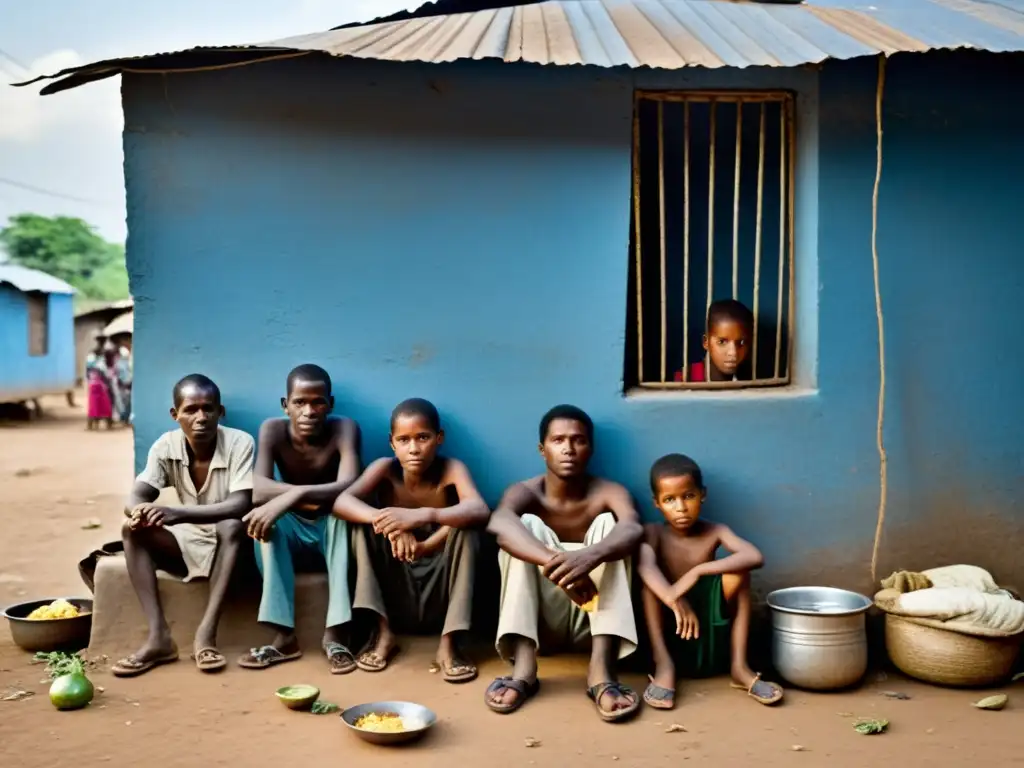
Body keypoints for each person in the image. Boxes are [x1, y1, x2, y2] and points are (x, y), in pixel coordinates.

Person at [485, 405, 643, 722]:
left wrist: (591, 555)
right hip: (542, 625)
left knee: (610, 529)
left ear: (590, 448)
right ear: (543, 450)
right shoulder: (525, 491)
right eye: (558, 440)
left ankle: (600, 671)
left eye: (578, 440)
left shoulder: (608, 492)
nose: (568, 449)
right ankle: (525, 669)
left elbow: (632, 527)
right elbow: (499, 523)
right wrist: (560, 569)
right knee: (524, 526)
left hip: (595, 621)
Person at [333, 398, 487, 683]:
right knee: (359, 527)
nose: (414, 448)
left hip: (440, 585)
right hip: (397, 584)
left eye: (423, 438)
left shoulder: (451, 469)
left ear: (439, 438)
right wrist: (392, 524)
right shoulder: (384, 469)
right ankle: (383, 632)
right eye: (404, 440)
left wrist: (423, 518)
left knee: (467, 528)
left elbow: (479, 509)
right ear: (392, 444)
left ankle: (450, 644)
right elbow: (342, 502)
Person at [111, 374, 253, 677]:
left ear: (220, 411)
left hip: (232, 545)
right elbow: (137, 494)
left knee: (232, 526)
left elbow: (240, 505)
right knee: (130, 529)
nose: (200, 417)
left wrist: (177, 513)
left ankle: (206, 635)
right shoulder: (165, 446)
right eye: (190, 410)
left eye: (208, 408)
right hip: (188, 539)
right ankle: (159, 636)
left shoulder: (240, 443)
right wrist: (140, 512)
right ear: (175, 415)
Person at [237, 364, 361, 673]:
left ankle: (335, 636)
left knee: (344, 520)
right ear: (285, 405)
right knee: (265, 522)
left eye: (318, 402)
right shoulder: (272, 430)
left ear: (330, 404)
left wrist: (291, 496)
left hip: (330, 524)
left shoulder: (345, 429)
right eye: (299, 402)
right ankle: (285, 637)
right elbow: (259, 490)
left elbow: (349, 485)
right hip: (291, 524)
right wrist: (296, 500)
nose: (309, 411)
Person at [638, 453, 783, 709]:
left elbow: (754, 556)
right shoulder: (653, 533)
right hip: (670, 629)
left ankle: (739, 667)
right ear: (657, 503)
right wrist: (674, 598)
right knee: (649, 586)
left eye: (688, 496)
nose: (681, 507)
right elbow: (644, 565)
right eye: (670, 500)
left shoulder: (716, 531)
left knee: (741, 572)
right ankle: (664, 666)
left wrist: (698, 571)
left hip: (709, 632)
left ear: (702, 494)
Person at [681, 299, 753, 382]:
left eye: (741, 342)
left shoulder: (751, 378)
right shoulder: (686, 377)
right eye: (722, 342)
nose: (733, 352)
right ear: (706, 342)